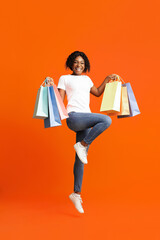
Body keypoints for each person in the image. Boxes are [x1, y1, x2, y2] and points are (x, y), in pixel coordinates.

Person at [47, 51, 119, 214]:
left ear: (85, 65)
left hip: (86, 118)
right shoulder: (65, 79)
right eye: (76, 62)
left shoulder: (87, 79)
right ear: (71, 64)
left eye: (82, 63)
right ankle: (82, 145)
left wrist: (107, 78)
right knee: (106, 120)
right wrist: (51, 85)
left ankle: (76, 193)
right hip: (73, 117)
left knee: (80, 159)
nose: (79, 65)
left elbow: (98, 92)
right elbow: (60, 99)